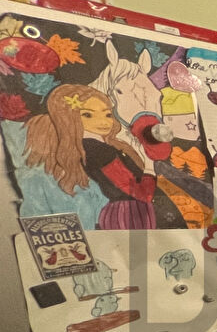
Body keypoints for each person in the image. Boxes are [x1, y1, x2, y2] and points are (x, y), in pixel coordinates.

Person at [23, 84, 158, 229]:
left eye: (108, 114)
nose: (103, 121)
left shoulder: (88, 147)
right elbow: (139, 192)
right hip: (128, 215)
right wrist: (150, 168)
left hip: (124, 213)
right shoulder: (99, 151)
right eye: (88, 115)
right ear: (69, 118)